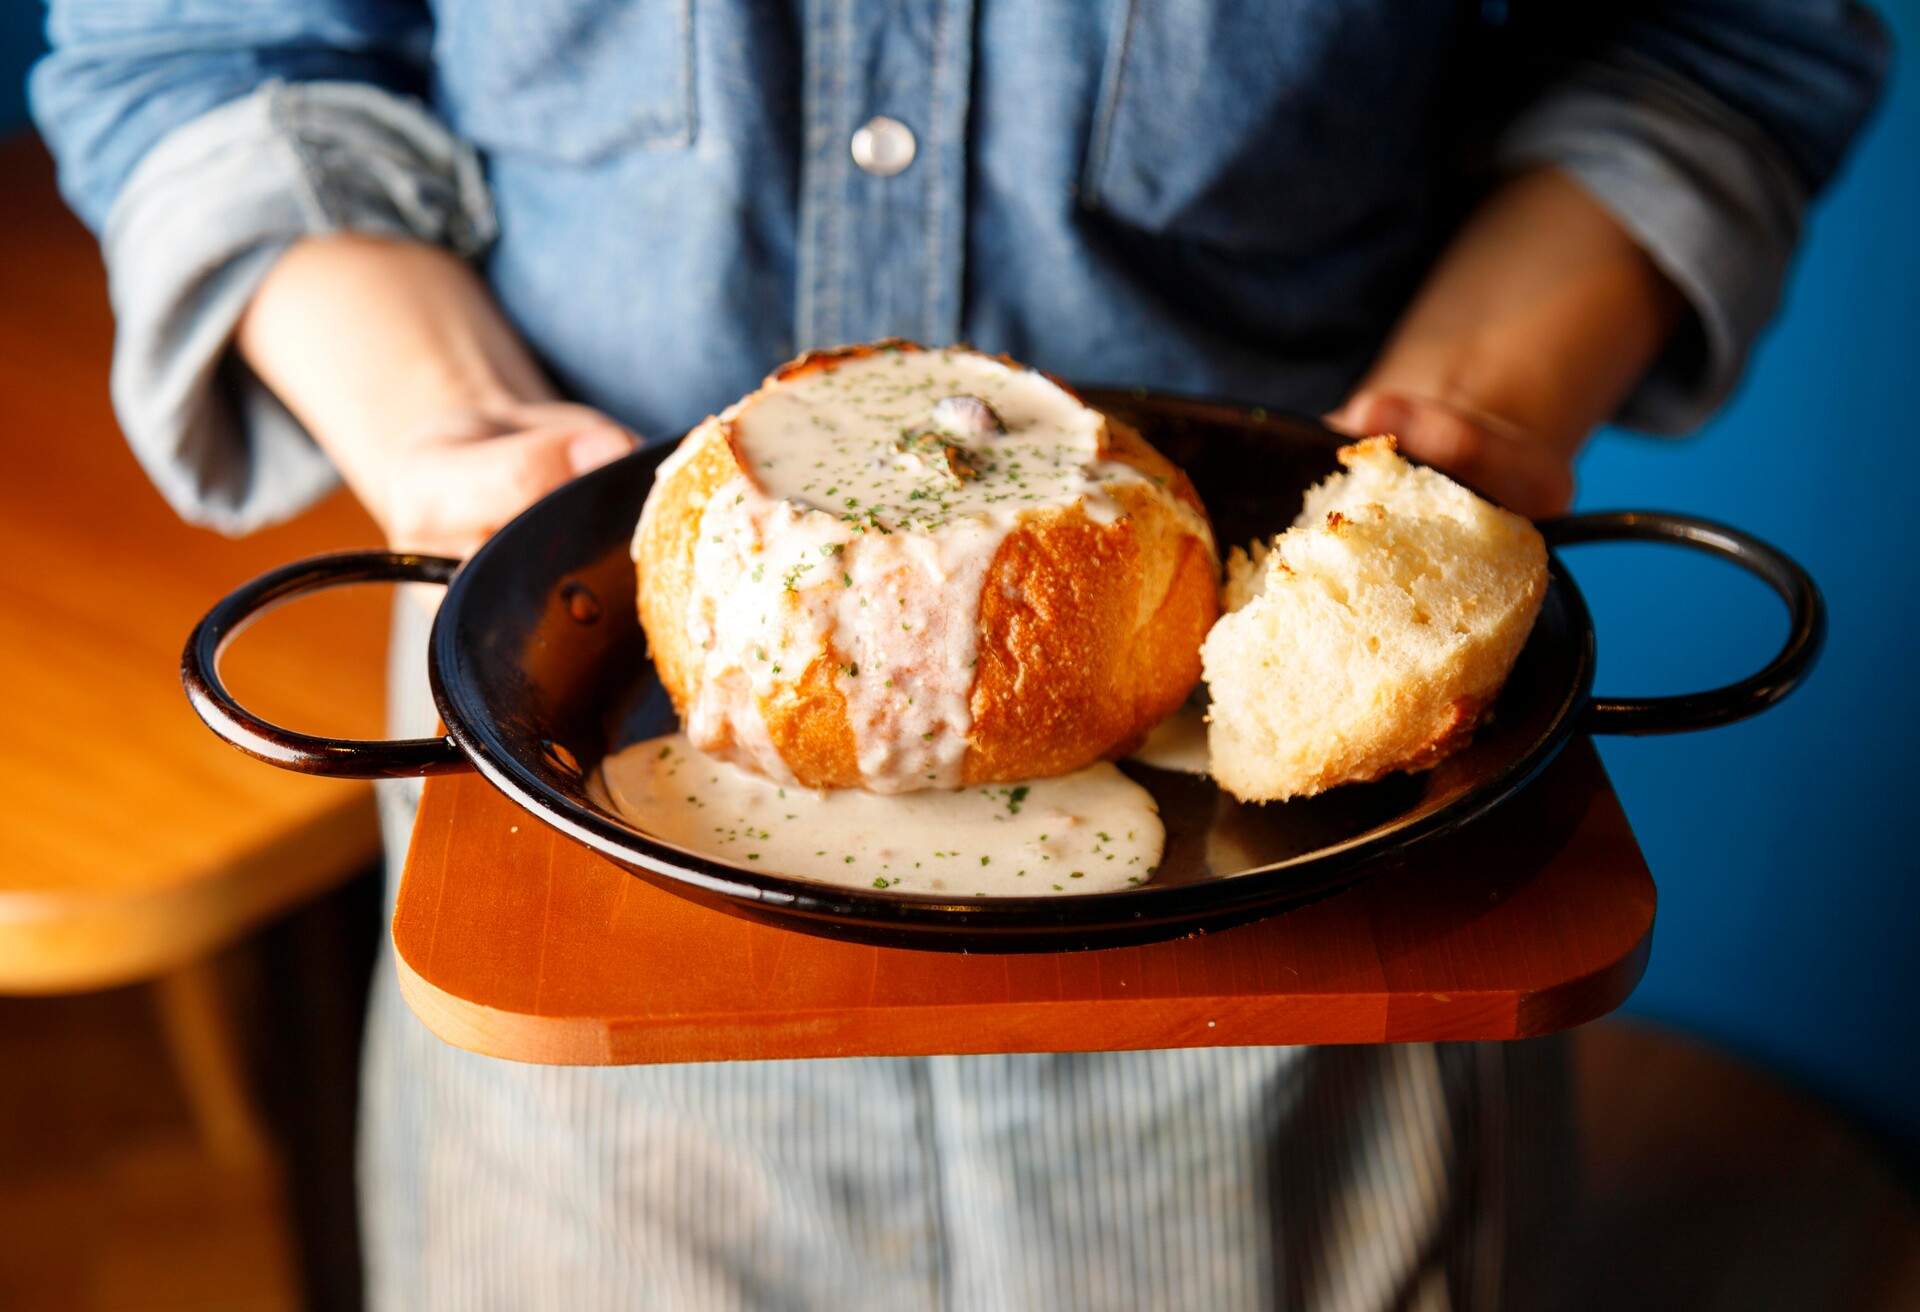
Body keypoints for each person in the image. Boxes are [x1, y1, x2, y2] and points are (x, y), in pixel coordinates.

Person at [31, 3, 1887, 1307]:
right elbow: (203, 52)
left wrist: (1453, 443)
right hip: (604, 872)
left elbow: (1715, 33)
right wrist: (462, 452)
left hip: (1283, 912)